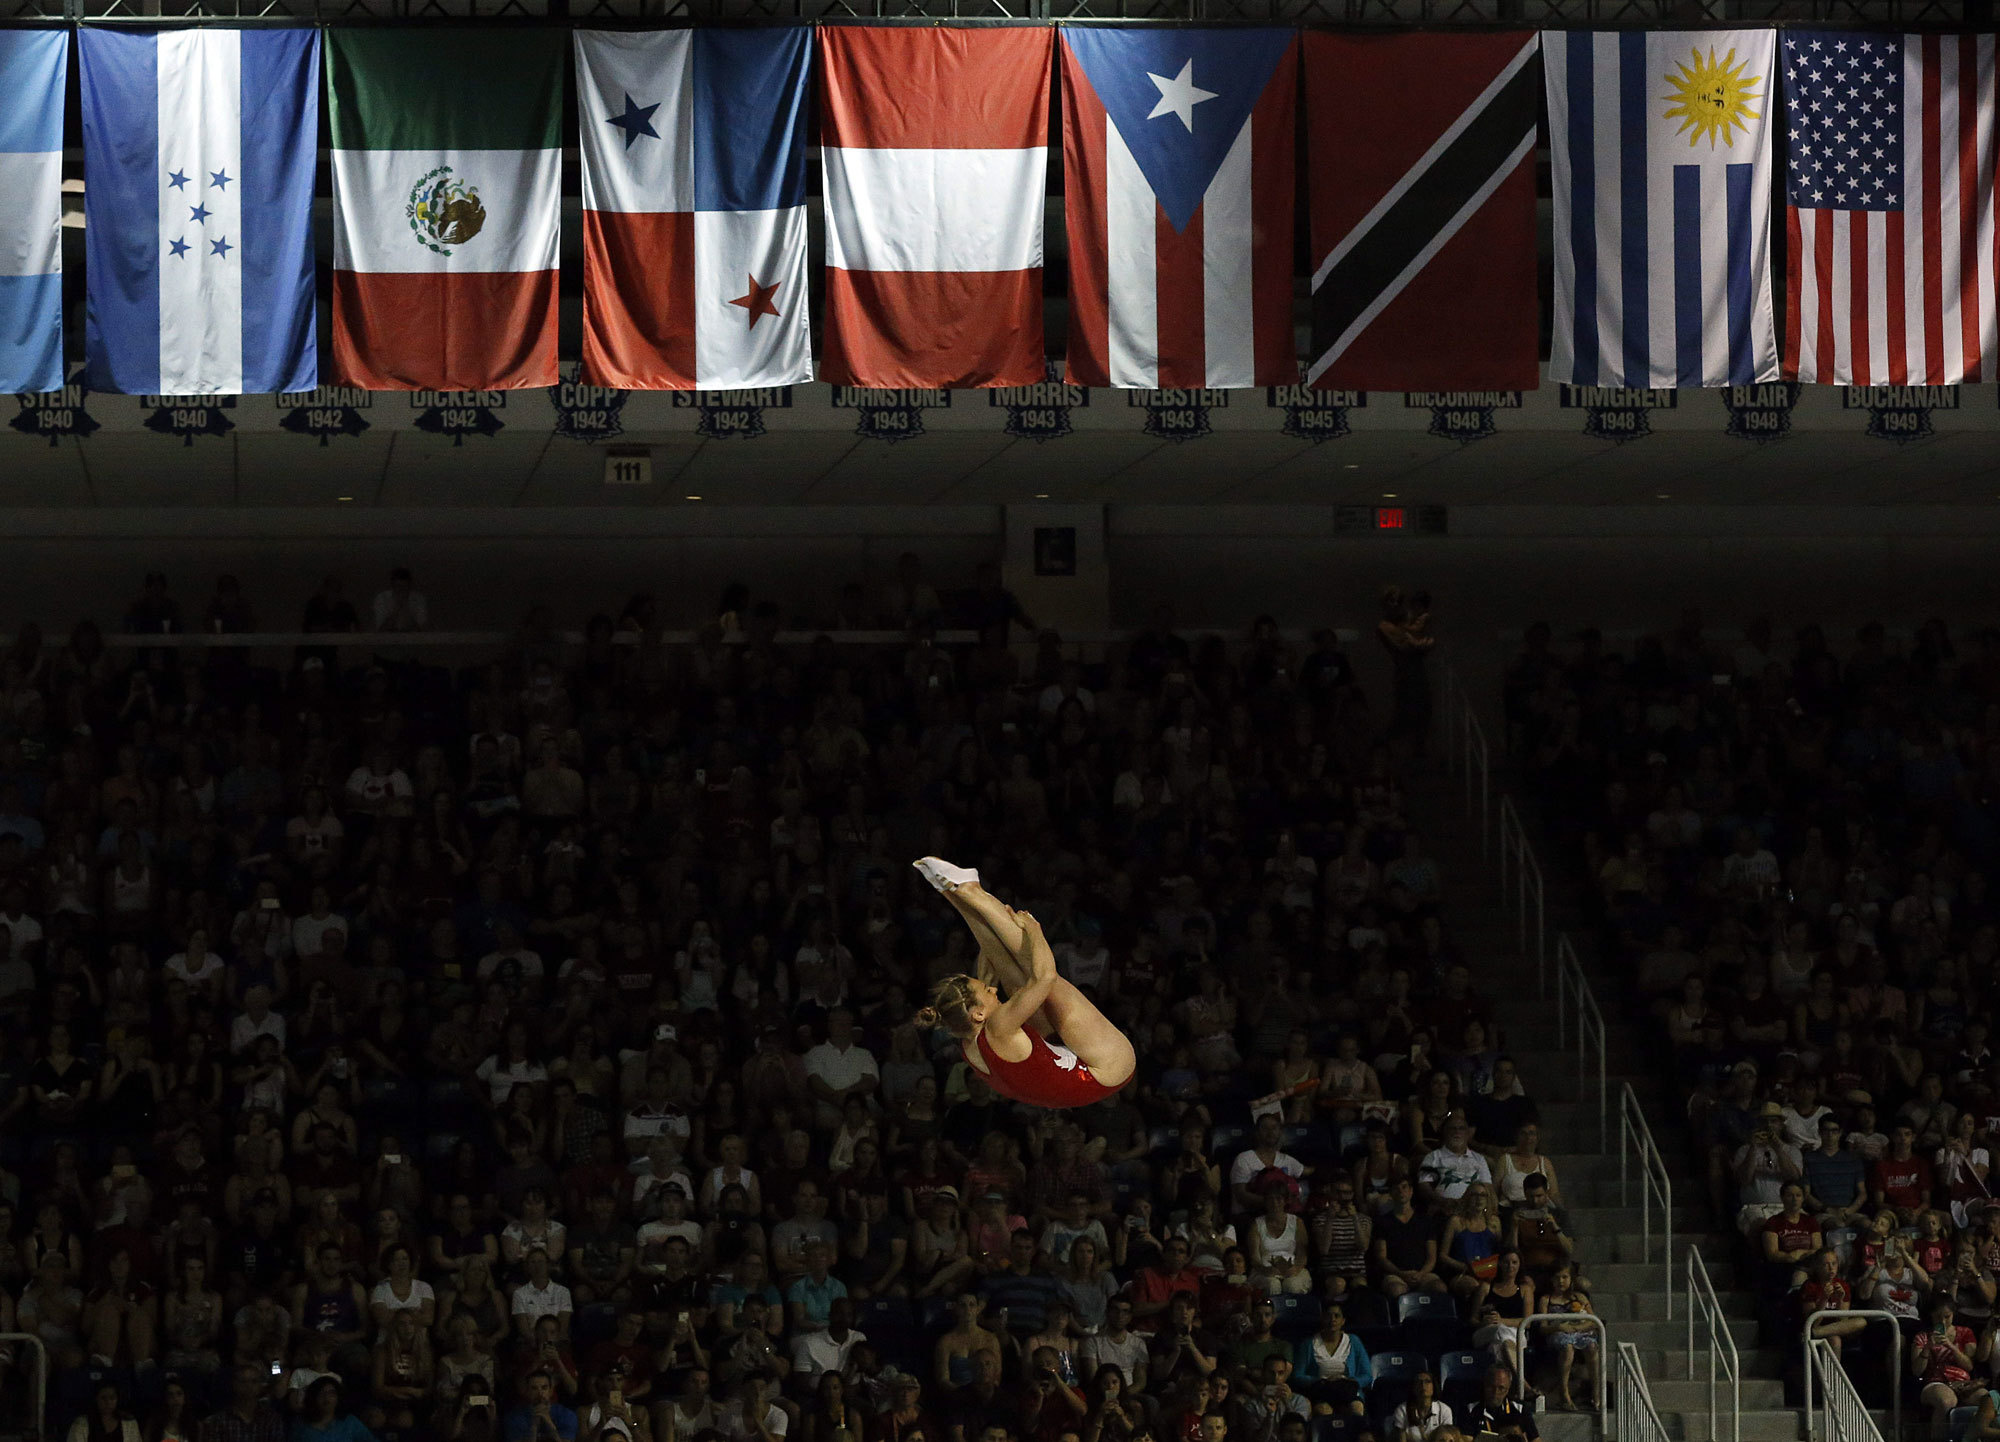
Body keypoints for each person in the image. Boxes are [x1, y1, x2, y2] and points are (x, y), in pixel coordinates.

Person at [913, 866, 1134, 1111]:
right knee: (1043, 983)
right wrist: (1034, 930)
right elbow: (1046, 977)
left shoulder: (970, 1041)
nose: (994, 991)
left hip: (1059, 1057)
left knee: (1013, 975)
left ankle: (960, 891)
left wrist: (955, 897)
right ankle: (974, 891)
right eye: (987, 993)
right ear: (977, 1013)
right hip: (1109, 1069)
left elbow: (992, 957)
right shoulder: (999, 1027)